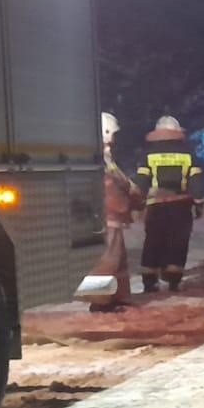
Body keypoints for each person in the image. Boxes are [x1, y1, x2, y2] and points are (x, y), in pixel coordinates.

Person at [134, 115, 204, 292]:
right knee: (178, 241)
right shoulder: (188, 154)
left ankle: (149, 280)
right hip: (180, 206)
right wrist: (199, 203)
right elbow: (196, 181)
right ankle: (173, 278)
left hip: (156, 206)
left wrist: (137, 202)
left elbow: (142, 181)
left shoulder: (148, 154)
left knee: (153, 240)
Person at [80, 112, 143, 311]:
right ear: (104, 132)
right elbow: (109, 187)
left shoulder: (103, 157)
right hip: (107, 217)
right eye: (112, 134)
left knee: (118, 259)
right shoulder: (97, 158)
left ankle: (117, 297)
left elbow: (118, 179)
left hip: (110, 217)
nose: (114, 139)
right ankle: (99, 302)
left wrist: (130, 189)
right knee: (107, 260)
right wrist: (128, 200)